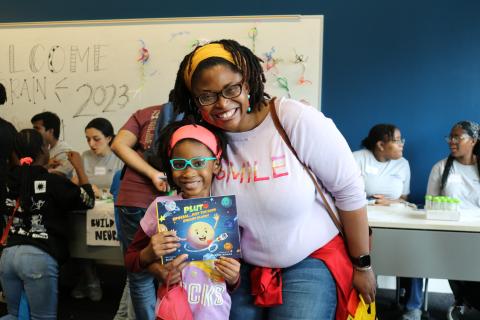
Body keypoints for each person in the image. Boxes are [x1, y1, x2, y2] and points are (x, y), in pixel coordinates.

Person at [165, 39, 376, 319]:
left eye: (231, 89)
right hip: (242, 268)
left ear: (248, 83)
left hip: (309, 259)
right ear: (195, 99)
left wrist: (362, 266)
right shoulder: (204, 142)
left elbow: (349, 191)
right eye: (208, 96)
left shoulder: (291, 119)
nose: (223, 104)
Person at [125, 121, 241, 318]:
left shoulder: (226, 211)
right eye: (179, 164)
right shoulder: (161, 208)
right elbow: (131, 259)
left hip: (215, 313)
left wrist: (234, 278)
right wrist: (151, 258)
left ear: (215, 165)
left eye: (198, 163)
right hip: (172, 312)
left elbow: (231, 279)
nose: (188, 173)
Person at [0, 129, 95, 319]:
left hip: (8, 256)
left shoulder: (8, 182)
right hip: (38, 257)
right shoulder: (53, 182)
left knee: (14, 315)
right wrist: (80, 169)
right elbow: (88, 201)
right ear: (44, 150)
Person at [353, 124, 422, 320]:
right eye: (397, 140)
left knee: (415, 253)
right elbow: (345, 194)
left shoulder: (403, 164)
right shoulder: (357, 158)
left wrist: (389, 201)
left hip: (399, 222)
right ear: (381, 145)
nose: (402, 144)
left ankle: (412, 307)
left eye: (402, 140)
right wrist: (373, 201)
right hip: (365, 222)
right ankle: (365, 302)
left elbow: (404, 198)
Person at [111, 103, 171, 319]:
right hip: (172, 201)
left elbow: (118, 145)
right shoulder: (194, 110)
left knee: (138, 272)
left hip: (132, 198)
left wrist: (152, 173)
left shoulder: (145, 113)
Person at [426, 120, 480, 320]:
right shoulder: (440, 168)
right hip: (450, 235)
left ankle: (466, 300)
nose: (451, 141)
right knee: (455, 255)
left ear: (473, 140)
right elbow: (429, 204)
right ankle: (464, 300)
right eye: (450, 137)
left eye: (458, 137)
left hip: (478, 235)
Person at [70, 118, 124, 302]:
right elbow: (73, 185)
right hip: (86, 210)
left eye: (96, 138)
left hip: (112, 210)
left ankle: (92, 280)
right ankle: (90, 277)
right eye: (87, 139)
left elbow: (123, 188)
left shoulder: (120, 157)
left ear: (109, 138)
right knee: (79, 239)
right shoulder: (84, 157)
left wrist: (101, 192)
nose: (91, 144)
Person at [31, 111, 74, 178]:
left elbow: (53, 178)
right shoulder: (40, 148)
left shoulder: (65, 152)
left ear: (51, 131)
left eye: (37, 128)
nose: (33, 132)